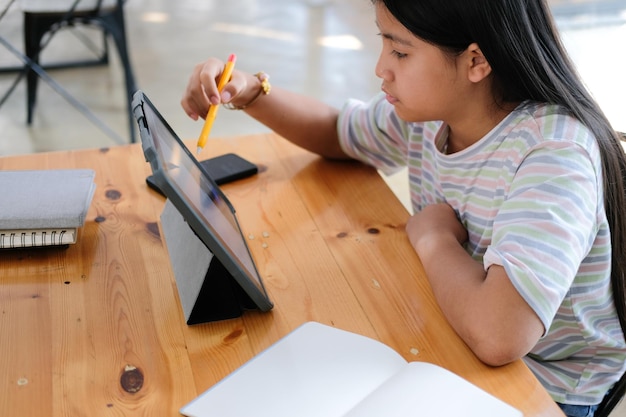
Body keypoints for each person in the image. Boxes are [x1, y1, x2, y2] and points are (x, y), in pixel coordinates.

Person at [181, 1, 626, 415]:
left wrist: (433, 239)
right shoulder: (436, 113)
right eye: (383, 43)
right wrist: (251, 93)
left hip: (544, 384)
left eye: (400, 52)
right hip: (449, 328)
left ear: (476, 61)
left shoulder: (553, 154)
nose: (381, 69)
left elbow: (499, 335)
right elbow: (339, 132)